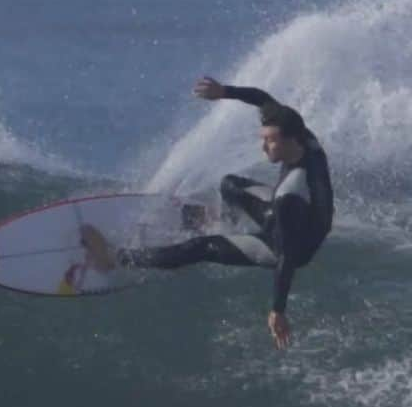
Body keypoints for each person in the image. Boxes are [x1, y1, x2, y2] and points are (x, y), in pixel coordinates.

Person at [79, 77, 334, 350]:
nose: (263, 148)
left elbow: (287, 256)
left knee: (202, 247)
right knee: (230, 185)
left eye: (270, 142)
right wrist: (225, 92)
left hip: (289, 244)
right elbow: (263, 99)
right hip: (301, 215)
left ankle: (114, 258)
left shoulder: (291, 194)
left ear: (291, 139)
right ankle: (225, 221)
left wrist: (278, 310)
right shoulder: (303, 138)